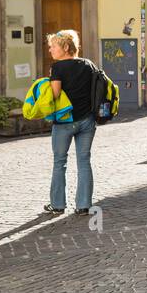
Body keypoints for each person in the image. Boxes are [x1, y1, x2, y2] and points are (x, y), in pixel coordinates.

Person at [44, 29, 98, 216]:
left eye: (53, 47)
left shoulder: (57, 68)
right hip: (87, 120)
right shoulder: (89, 64)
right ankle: (84, 205)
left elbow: (55, 95)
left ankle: (58, 205)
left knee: (60, 162)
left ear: (66, 47)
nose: (50, 50)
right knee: (84, 161)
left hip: (64, 122)